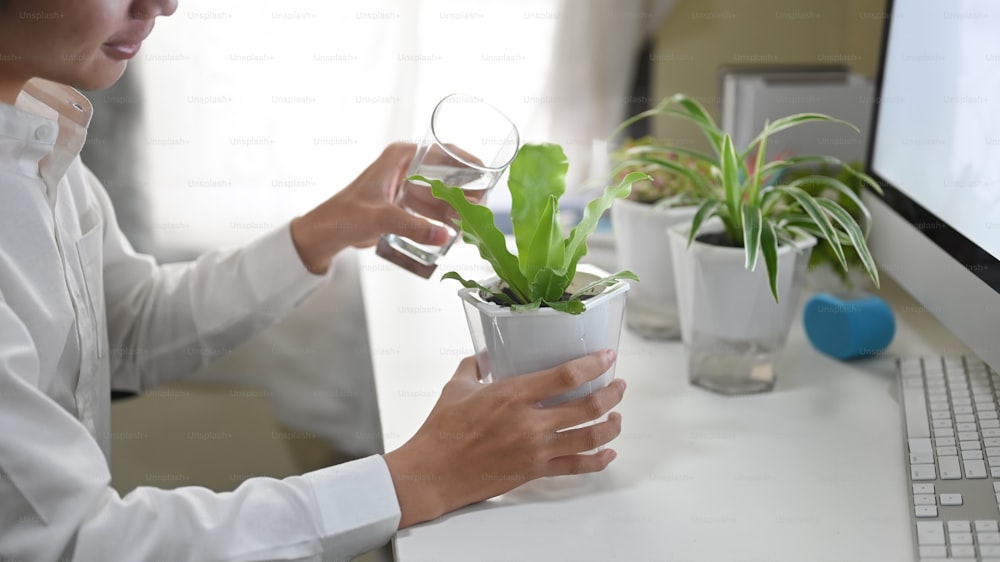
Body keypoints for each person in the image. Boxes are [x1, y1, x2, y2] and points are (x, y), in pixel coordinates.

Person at [0, 1, 627, 560]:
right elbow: (75, 543)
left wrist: (326, 228)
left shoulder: (38, 136)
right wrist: (418, 477)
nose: (163, 5)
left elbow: (127, 328)